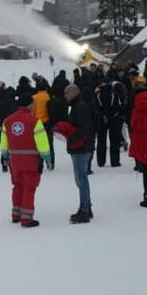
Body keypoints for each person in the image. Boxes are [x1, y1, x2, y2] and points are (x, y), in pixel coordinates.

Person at [0, 94, 52, 227]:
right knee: (29, 188)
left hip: (14, 162)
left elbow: (4, 142)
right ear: (30, 105)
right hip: (31, 162)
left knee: (17, 186)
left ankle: (16, 214)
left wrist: (5, 155)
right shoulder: (35, 122)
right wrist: (47, 158)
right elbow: (42, 143)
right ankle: (26, 218)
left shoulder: (7, 121)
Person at [54, 84, 94, 224]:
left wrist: (70, 135)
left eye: (66, 93)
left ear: (73, 93)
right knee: (81, 179)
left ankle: (84, 210)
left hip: (81, 148)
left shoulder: (80, 107)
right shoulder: (77, 106)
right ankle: (87, 207)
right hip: (82, 147)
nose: (65, 96)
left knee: (81, 180)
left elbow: (83, 129)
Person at [94, 81, 124, 168]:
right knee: (114, 140)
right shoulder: (114, 95)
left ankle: (101, 161)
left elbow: (96, 107)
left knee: (101, 141)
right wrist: (113, 116)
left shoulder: (98, 95)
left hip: (101, 120)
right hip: (113, 119)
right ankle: (115, 161)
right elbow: (119, 107)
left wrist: (102, 116)